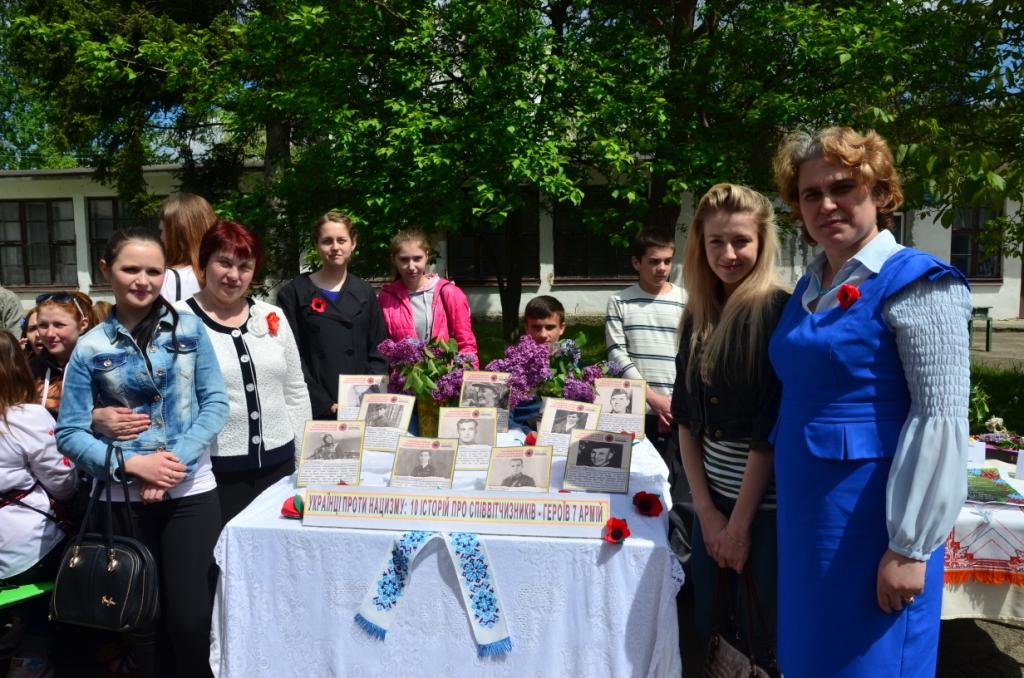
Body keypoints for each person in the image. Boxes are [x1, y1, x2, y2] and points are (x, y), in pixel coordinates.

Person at [768, 127, 970, 677]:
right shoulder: (809, 286)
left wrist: (909, 548)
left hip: (872, 526)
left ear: (879, 193)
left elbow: (940, 419)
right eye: (811, 194)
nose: (826, 204)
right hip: (807, 521)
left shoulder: (920, 283)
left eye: (843, 188)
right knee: (811, 658)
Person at [55, 228, 229, 678]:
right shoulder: (91, 346)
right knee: (140, 622)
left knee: (192, 621)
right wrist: (132, 465)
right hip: (121, 503)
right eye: (130, 269)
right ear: (106, 271)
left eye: (154, 271)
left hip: (190, 494)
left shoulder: (189, 328)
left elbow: (215, 404)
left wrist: (170, 466)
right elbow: (69, 433)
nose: (143, 280)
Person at [671, 183, 789, 670]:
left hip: (763, 512)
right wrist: (707, 513)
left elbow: (768, 433)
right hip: (712, 505)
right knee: (712, 632)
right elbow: (685, 420)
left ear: (761, 242)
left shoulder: (776, 313)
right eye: (716, 241)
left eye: (741, 240)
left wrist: (737, 527)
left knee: (762, 634)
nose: (728, 254)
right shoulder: (697, 314)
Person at [0, 330, 78, 677]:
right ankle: (32, 657)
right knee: (67, 561)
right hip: (23, 552)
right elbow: (64, 484)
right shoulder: (26, 417)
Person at [277, 212, 388, 419]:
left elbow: (379, 349)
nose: (335, 247)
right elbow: (291, 356)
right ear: (316, 245)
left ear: (353, 244)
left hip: (360, 404)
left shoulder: (365, 292)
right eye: (327, 241)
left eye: (341, 240)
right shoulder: (294, 293)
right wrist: (322, 402)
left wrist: (369, 394)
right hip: (314, 406)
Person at [606, 228, 685, 483]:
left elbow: (693, 354)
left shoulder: (686, 300)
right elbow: (616, 353)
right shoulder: (619, 301)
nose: (662, 268)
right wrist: (652, 399)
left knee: (674, 485)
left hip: (676, 409)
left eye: (667, 261)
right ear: (636, 263)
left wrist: (673, 404)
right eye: (653, 261)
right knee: (634, 481)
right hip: (634, 410)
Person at [378, 229, 478, 367]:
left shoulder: (449, 292)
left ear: (426, 256)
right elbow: (382, 347)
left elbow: (466, 344)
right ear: (394, 259)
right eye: (404, 259)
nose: (411, 266)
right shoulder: (386, 298)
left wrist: (467, 375)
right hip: (403, 377)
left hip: (444, 375)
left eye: (417, 258)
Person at [29, 291, 97, 418]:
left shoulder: (101, 368)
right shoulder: (29, 370)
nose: (49, 333)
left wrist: (94, 419)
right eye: (43, 325)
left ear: (82, 325)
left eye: (59, 325)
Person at [159, 193, 217, 303]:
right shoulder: (220, 277)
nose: (161, 238)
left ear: (176, 236)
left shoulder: (166, 279)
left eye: (162, 231)